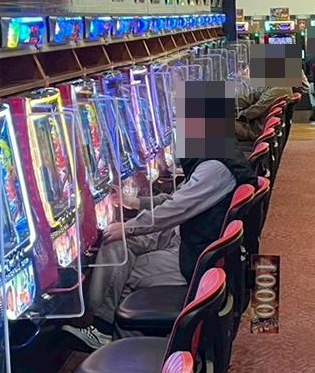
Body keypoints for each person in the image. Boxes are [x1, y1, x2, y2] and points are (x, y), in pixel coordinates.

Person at [63, 147, 257, 350]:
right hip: (187, 236)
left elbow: (176, 208)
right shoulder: (216, 156)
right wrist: (134, 202)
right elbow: (175, 198)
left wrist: (129, 227)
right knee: (116, 244)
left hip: (195, 256)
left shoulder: (215, 168)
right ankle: (101, 327)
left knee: (124, 275)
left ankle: (128, 347)